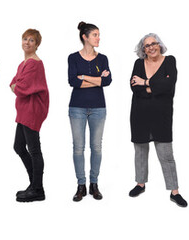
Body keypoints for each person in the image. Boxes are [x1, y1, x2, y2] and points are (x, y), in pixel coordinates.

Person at [127, 33, 187, 207]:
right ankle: (140, 183)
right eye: (146, 46)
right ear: (142, 49)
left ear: (159, 45)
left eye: (154, 43)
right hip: (139, 114)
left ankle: (174, 191)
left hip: (162, 116)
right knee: (140, 151)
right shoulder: (139, 63)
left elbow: (169, 85)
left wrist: (145, 83)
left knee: (166, 154)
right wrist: (155, 87)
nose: (151, 47)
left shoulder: (170, 61)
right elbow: (133, 88)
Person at [67, 21, 111, 201]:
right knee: (78, 148)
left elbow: (107, 82)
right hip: (77, 107)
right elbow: (73, 81)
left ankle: (94, 184)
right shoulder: (73, 57)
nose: (98, 38)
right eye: (95, 35)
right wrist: (97, 79)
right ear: (85, 37)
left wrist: (84, 77)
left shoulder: (103, 58)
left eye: (98, 35)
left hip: (98, 108)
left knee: (97, 147)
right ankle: (81, 185)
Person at [11, 29, 49, 203]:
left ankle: (37, 189)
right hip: (23, 110)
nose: (27, 42)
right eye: (25, 39)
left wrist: (16, 86)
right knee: (19, 146)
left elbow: (20, 88)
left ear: (37, 44)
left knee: (34, 150)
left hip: (32, 110)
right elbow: (13, 83)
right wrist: (16, 86)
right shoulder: (23, 64)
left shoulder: (34, 64)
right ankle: (34, 184)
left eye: (31, 40)